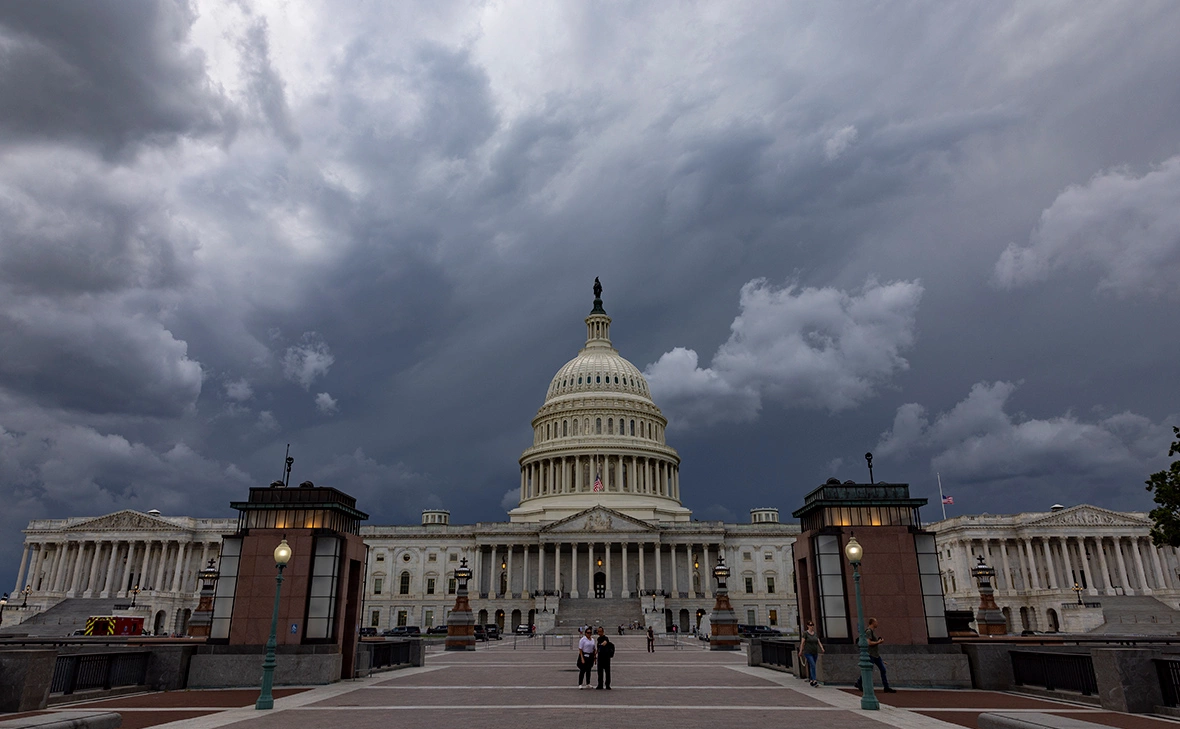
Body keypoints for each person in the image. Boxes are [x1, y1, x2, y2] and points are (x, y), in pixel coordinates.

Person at [853, 617, 896, 693]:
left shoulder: (872, 632)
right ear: (872, 623)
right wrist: (878, 642)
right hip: (871, 654)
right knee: (868, 670)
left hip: (875, 655)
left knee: (882, 669)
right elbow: (869, 643)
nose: (877, 623)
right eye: (876, 622)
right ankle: (859, 682)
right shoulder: (869, 632)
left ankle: (886, 687)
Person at [798, 620, 824, 687]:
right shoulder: (805, 634)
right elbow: (802, 643)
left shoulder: (815, 633)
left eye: (812, 625)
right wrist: (801, 651)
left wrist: (822, 648)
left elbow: (818, 641)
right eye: (810, 625)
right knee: (812, 665)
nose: (811, 626)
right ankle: (815, 680)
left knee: (813, 666)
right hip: (808, 652)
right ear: (807, 626)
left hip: (815, 651)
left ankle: (811, 680)